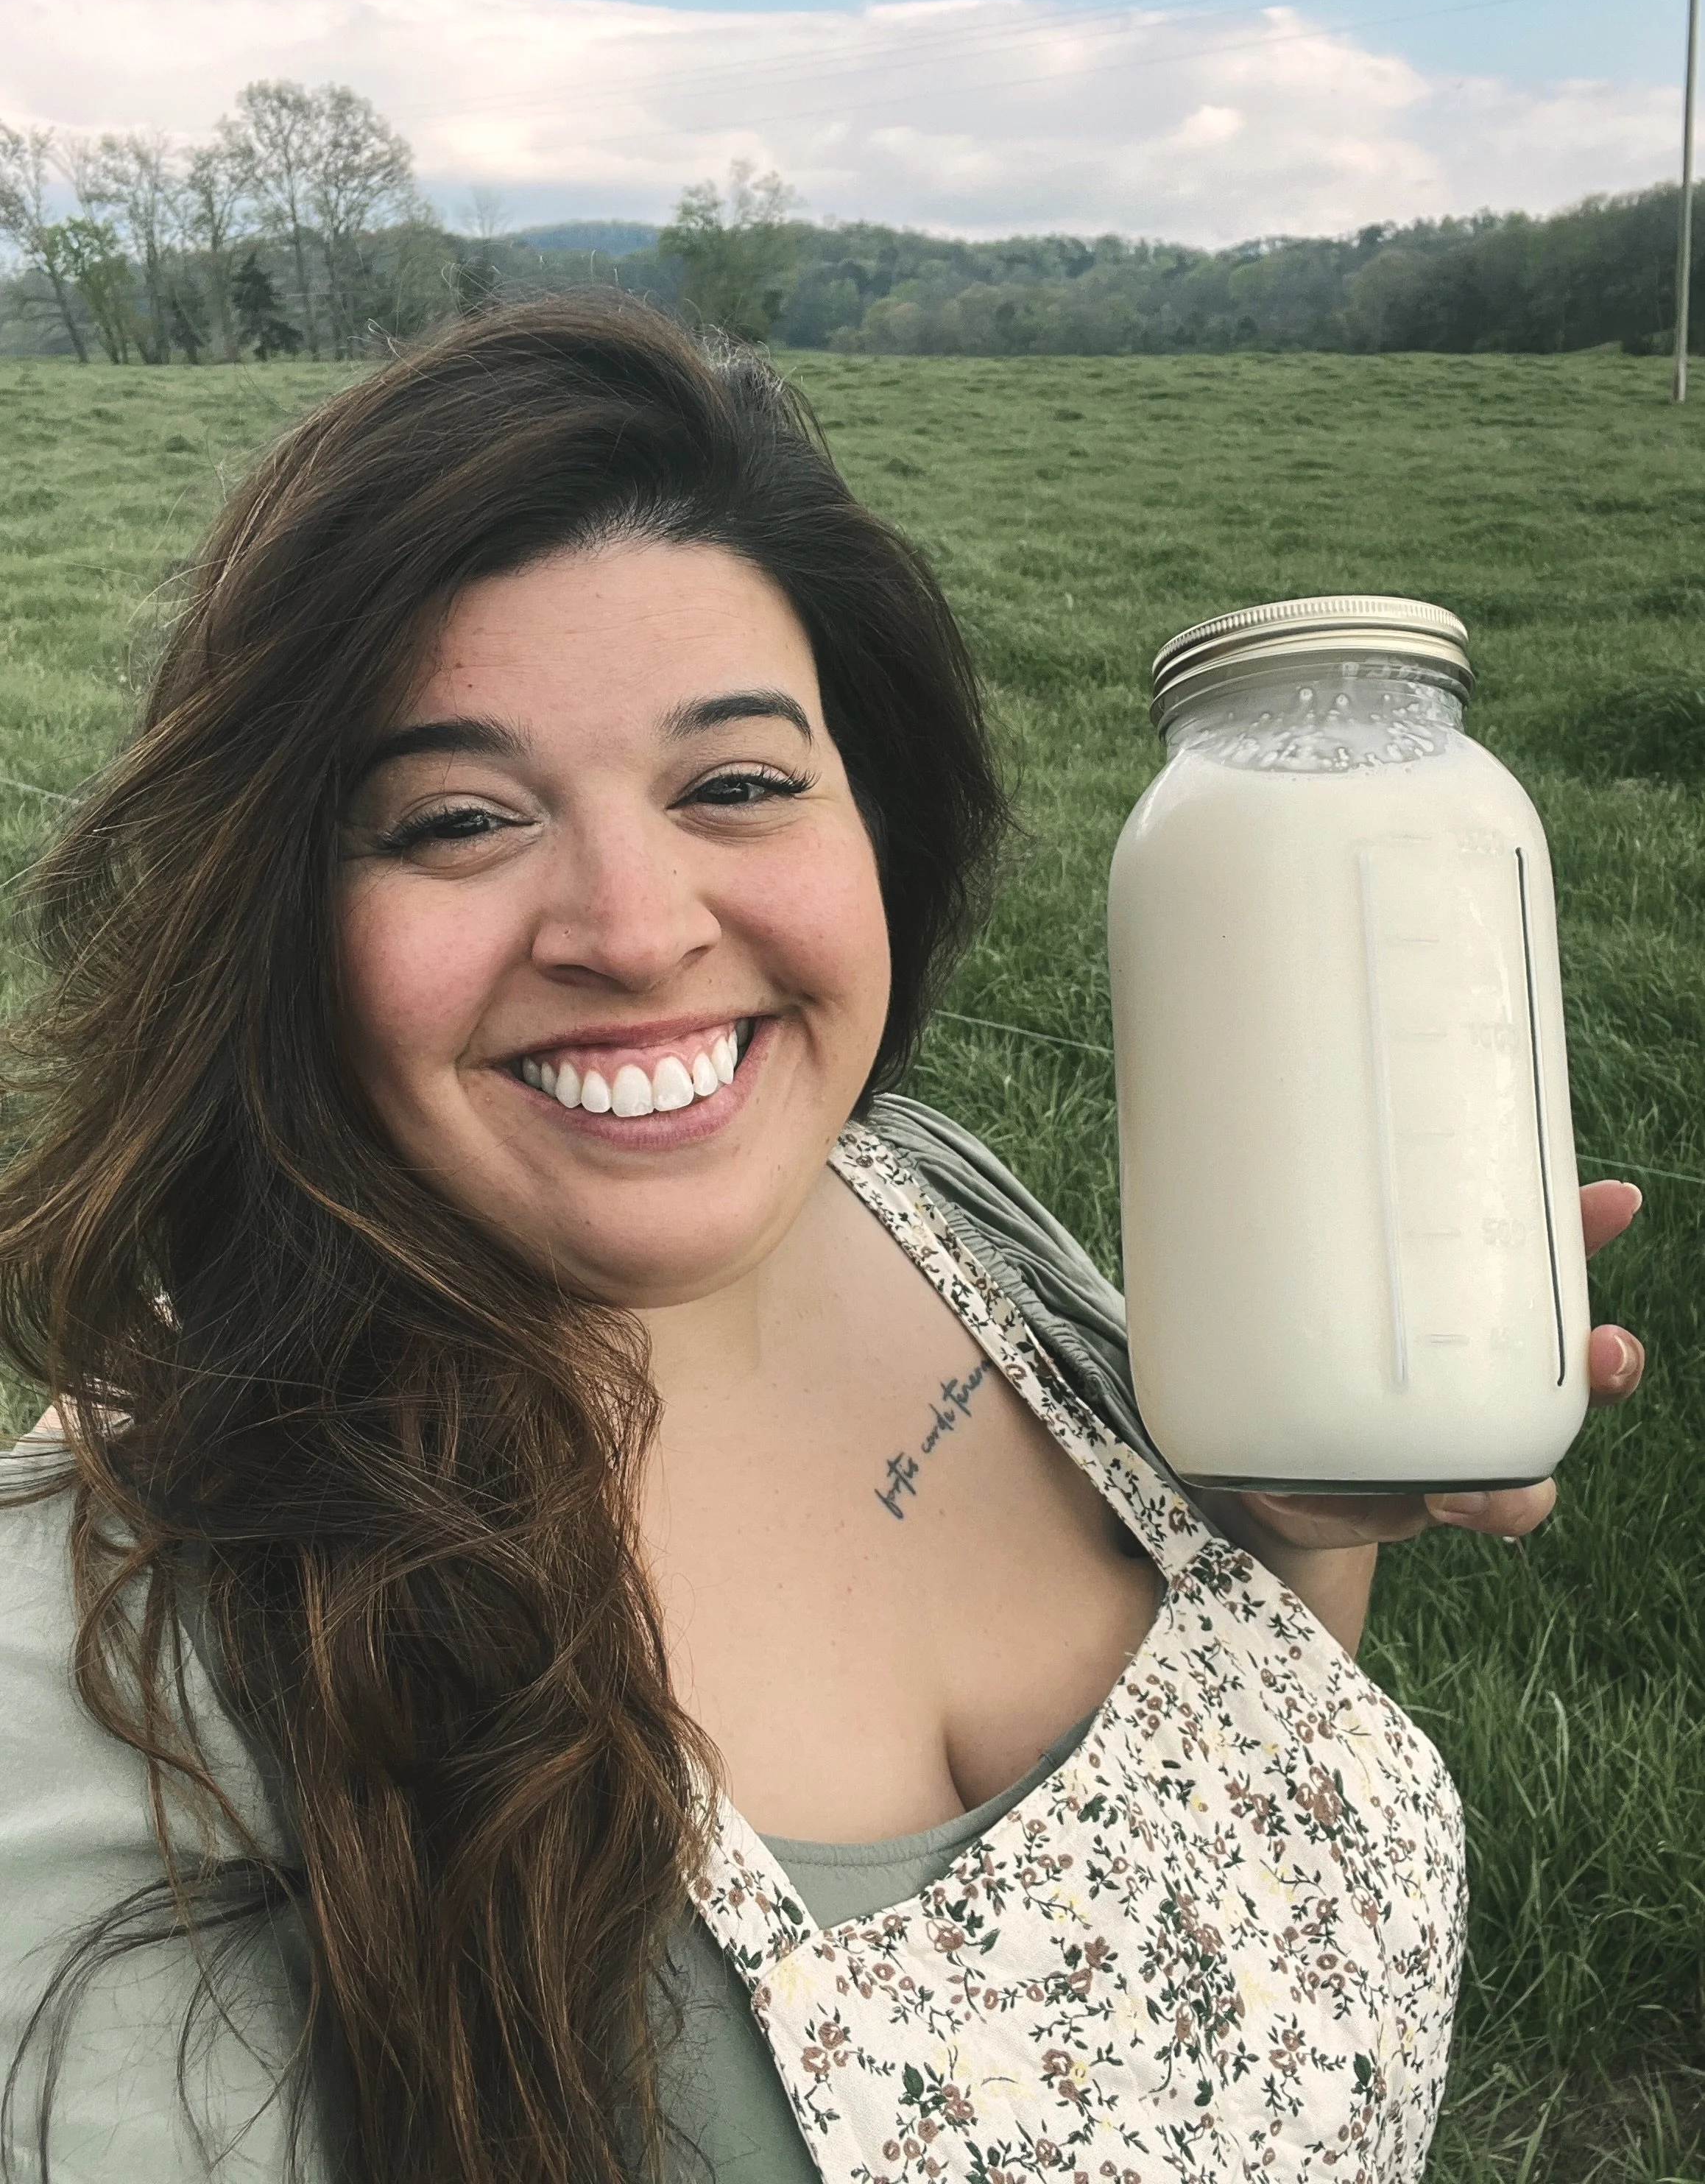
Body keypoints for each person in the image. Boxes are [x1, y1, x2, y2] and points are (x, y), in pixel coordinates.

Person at [0, 297, 1645, 2184]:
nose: (632, 925)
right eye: (460, 818)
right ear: (277, 913)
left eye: (739, 782)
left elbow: (1262, 1713)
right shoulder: (107, 1671)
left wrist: (1302, 1506)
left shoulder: (937, 1200)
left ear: (879, 817)